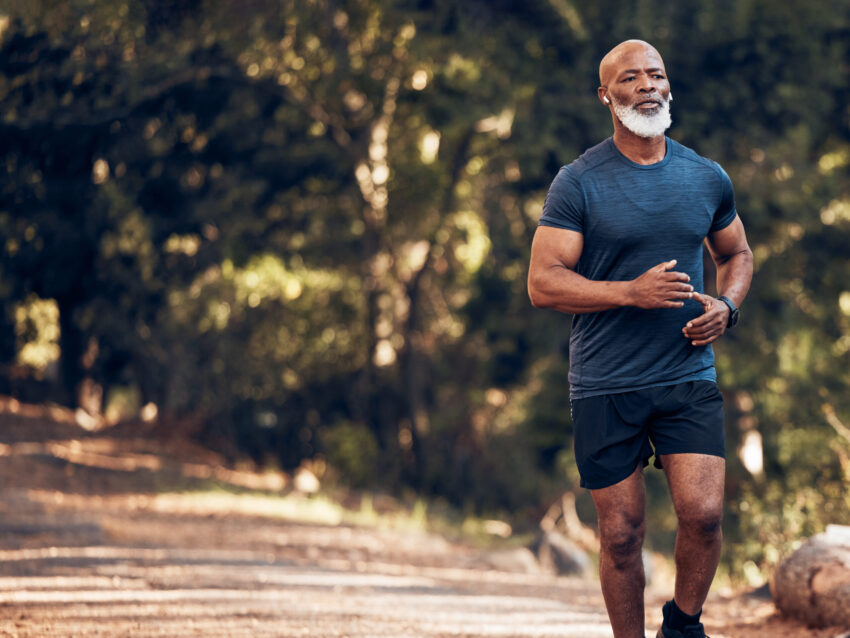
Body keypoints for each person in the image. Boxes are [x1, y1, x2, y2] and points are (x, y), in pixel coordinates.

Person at [527, 40, 753, 638]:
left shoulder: (706, 177)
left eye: (657, 75)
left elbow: (737, 253)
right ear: (607, 95)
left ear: (669, 88)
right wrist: (629, 292)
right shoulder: (578, 182)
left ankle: (683, 626)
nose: (648, 85)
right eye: (631, 78)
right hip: (606, 382)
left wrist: (727, 307)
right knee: (623, 535)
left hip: (687, 373)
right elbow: (543, 283)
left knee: (703, 516)